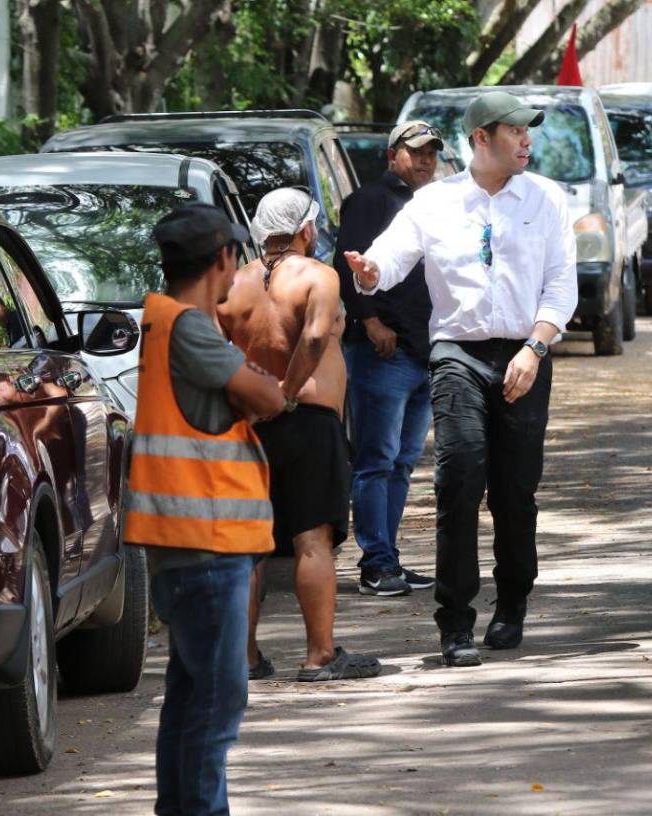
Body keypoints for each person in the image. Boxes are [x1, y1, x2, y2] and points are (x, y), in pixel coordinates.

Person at [343, 91, 578, 667]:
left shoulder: (546, 199)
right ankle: (455, 623)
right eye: (516, 130)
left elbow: (560, 285)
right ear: (482, 138)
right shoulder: (436, 203)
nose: (527, 140)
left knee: (515, 493)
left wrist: (535, 346)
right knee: (459, 481)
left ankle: (513, 604)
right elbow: (389, 259)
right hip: (457, 355)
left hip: (526, 352)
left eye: (529, 132)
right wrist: (370, 273)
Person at [124, 203, 286, 815]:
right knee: (217, 704)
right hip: (206, 542)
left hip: (192, 541)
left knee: (192, 700)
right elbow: (265, 393)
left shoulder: (168, 323)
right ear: (222, 258)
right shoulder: (189, 327)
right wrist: (255, 386)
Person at [221, 187, 381, 683]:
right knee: (313, 541)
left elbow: (208, 344)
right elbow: (313, 337)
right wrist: (287, 392)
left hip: (251, 425)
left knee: (251, 547)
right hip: (308, 418)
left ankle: (244, 658)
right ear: (306, 230)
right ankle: (320, 655)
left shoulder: (234, 283)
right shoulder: (319, 275)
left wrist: (249, 399)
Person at [336, 120, 444, 597]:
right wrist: (370, 321)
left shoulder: (436, 204)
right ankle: (375, 563)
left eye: (432, 153)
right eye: (416, 152)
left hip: (425, 350)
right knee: (375, 460)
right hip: (383, 350)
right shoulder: (370, 201)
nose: (425, 160)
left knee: (401, 461)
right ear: (392, 155)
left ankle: (390, 557)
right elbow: (348, 266)